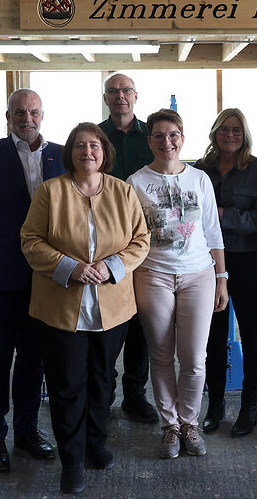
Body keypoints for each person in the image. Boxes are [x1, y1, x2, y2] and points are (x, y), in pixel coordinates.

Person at [21, 122, 150, 493]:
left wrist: (110, 267)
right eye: (80, 145)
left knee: (102, 381)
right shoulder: (51, 192)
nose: (87, 151)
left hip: (112, 307)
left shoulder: (123, 192)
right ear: (71, 153)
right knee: (67, 385)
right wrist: (71, 267)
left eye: (94, 145)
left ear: (104, 151)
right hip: (61, 307)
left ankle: (96, 445)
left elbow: (140, 240)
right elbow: (30, 240)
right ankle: (72, 460)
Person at [0, 88, 65, 472]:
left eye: (34, 111)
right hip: (0, 276)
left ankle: (27, 431)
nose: (27, 118)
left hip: (47, 277)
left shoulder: (63, 155)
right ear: (8, 116)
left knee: (34, 359)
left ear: (43, 114)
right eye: (20, 112)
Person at [127, 108, 228, 459]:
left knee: (194, 357)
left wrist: (221, 277)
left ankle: (190, 423)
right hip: (152, 274)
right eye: (158, 135)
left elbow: (213, 231)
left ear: (182, 139)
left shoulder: (200, 179)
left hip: (198, 274)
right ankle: (169, 426)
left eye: (173, 135)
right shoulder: (135, 182)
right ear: (150, 140)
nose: (166, 142)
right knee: (160, 353)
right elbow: (130, 235)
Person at [193, 108, 257, 438]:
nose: (230, 135)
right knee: (212, 335)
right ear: (214, 133)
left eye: (237, 130)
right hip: (208, 263)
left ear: (245, 135)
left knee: (252, 331)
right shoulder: (199, 171)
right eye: (224, 129)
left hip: (248, 259)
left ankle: (249, 407)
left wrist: (223, 216)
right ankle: (215, 406)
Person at [99, 72, 159, 424]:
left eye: (126, 91)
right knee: (107, 320)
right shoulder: (94, 136)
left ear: (135, 96)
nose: (120, 96)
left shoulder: (150, 135)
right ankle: (104, 393)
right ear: (106, 98)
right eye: (113, 91)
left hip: (144, 240)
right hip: (103, 239)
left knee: (140, 322)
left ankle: (136, 395)